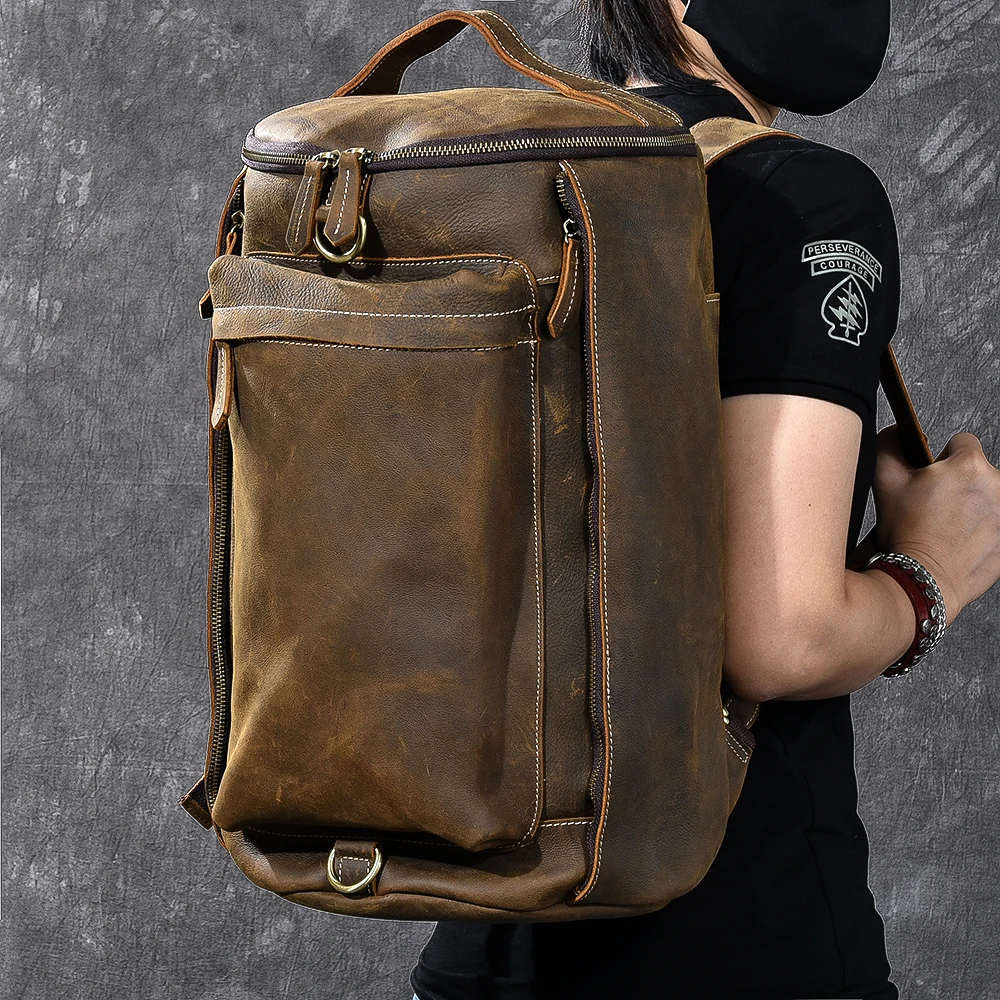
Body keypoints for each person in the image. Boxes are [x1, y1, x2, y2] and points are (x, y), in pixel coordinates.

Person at [409, 2, 1000, 997]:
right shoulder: (796, 198)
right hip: (738, 934)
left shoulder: (481, 187)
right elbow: (783, 638)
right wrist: (929, 574)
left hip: (481, 933)